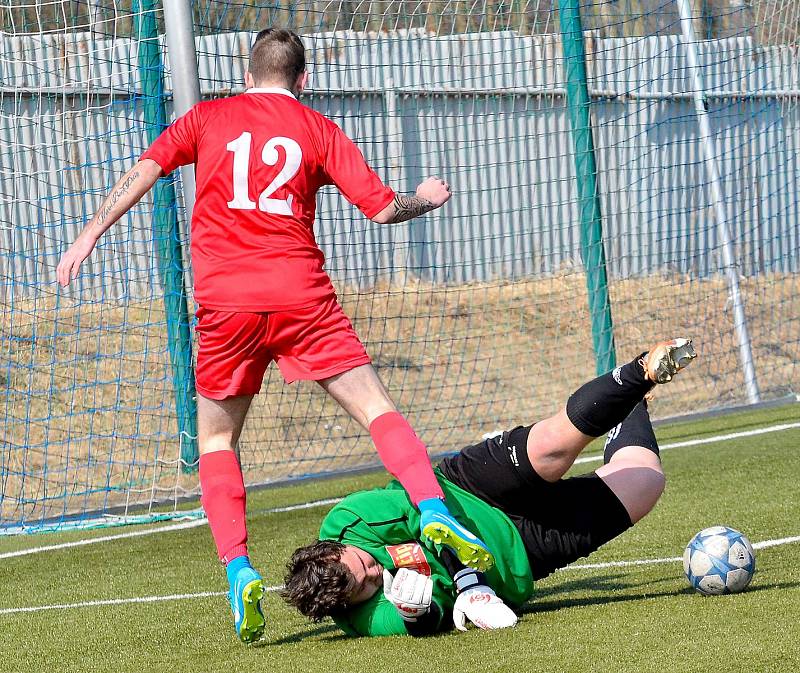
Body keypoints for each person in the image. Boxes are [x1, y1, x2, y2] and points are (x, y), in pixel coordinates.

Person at [55, 27, 493, 644]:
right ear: (303, 79)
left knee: (215, 440)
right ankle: (434, 511)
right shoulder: (318, 128)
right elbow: (383, 209)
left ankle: (238, 568)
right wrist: (423, 199)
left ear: (246, 71)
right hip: (300, 295)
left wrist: (88, 236)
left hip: (226, 303)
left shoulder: (207, 116)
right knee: (376, 411)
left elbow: (146, 169)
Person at [282, 338, 697, 636]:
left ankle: (640, 373)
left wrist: (468, 583)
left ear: (336, 548)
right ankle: (629, 410)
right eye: (367, 587)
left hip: (468, 490)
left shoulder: (348, 521)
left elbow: (423, 511)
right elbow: (420, 622)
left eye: (365, 566)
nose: (375, 574)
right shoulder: (361, 617)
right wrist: (417, 614)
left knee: (552, 447)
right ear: (345, 608)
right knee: (645, 481)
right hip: (519, 553)